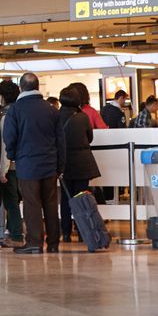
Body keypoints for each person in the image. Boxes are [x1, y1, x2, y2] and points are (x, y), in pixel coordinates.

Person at [2, 72, 64, 254]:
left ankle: (35, 243)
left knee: (32, 204)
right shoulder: (51, 109)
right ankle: (53, 243)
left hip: (27, 164)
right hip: (50, 164)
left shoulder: (15, 110)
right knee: (51, 204)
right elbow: (61, 141)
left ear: (21, 88)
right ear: (38, 87)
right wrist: (60, 165)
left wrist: (13, 155)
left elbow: (9, 137)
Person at [58, 85, 99, 244]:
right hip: (82, 162)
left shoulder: (55, 116)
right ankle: (83, 232)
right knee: (82, 198)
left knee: (66, 199)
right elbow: (90, 137)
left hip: (64, 163)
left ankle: (66, 233)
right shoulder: (82, 117)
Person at [0, 79, 24, 248]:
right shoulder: (21, 111)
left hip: (10, 165)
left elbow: (5, 144)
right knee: (16, 200)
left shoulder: (5, 115)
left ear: (3, 96)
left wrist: (2, 170)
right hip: (24, 164)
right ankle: (13, 232)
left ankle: (16, 236)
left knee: (11, 201)